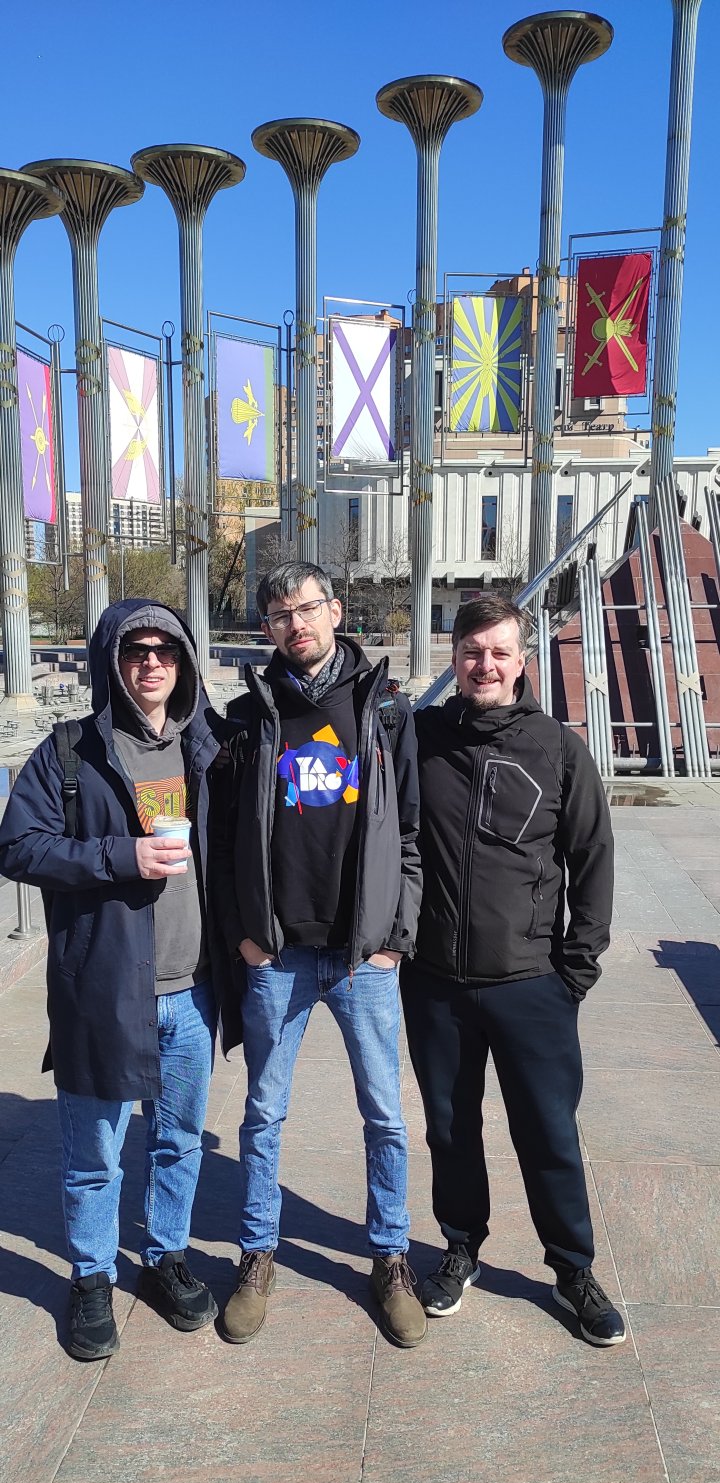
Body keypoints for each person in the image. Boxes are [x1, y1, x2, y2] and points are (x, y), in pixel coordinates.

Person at [0, 600, 238, 1360]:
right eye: (135, 650)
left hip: (193, 989)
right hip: (103, 987)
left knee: (178, 1141)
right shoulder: (69, 751)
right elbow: (19, 846)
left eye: (166, 649)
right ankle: (92, 1276)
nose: (151, 662)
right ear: (112, 660)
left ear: (185, 660)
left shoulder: (208, 746)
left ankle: (165, 1256)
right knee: (94, 1154)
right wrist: (118, 856)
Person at [401, 594, 625, 1347]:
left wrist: (574, 972)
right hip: (435, 982)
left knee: (548, 1132)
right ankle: (461, 1246)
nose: (484, 665)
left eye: (499, 652)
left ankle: (572, 1269)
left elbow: (592, 860)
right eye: (472, 651)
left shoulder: (557, 749)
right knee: (450, 1129)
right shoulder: (420, 738)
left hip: (531, 983)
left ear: (522, 661)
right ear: (454, 656)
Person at [213, 561, 426, 1348]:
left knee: (385, 1115)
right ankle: (258, 1254)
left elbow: (411, 835)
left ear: (336, 611)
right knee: (263, 1113)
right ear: (267, 627)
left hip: (362, 955)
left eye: (306, 609)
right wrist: (246, 935)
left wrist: (395, 939)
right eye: (279, 614)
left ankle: (391, 1257)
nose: (294, 624)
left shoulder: (385, 709)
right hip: (278, 955)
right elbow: (222, 841)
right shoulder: (250, 715)